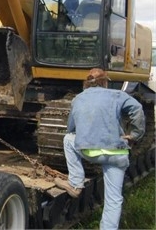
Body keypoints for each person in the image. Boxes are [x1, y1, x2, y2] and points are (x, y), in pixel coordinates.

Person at [54, 68, 145, 230]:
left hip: (90, 152)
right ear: (105, 82)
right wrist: (134, 135)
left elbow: (71, 129)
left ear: (86, 83)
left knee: (68, 139)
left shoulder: (78, 99)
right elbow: (137, 109)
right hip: (116, 153)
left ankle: (76, 184)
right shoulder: (117, 95)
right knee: (114, 199)